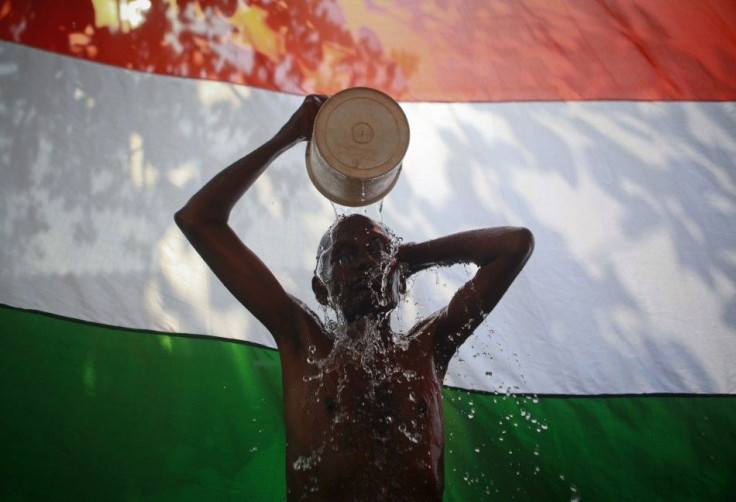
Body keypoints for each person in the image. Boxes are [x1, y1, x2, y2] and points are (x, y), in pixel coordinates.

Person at [175, 95, 534, 501]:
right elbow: (198, 219)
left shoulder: (430, 347)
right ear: (321, 289)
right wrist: (288, 136)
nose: (366, 262)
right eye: (344, 254)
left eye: (379, 251)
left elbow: (515, 245)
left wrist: (413, 257)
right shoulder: (302, 340)